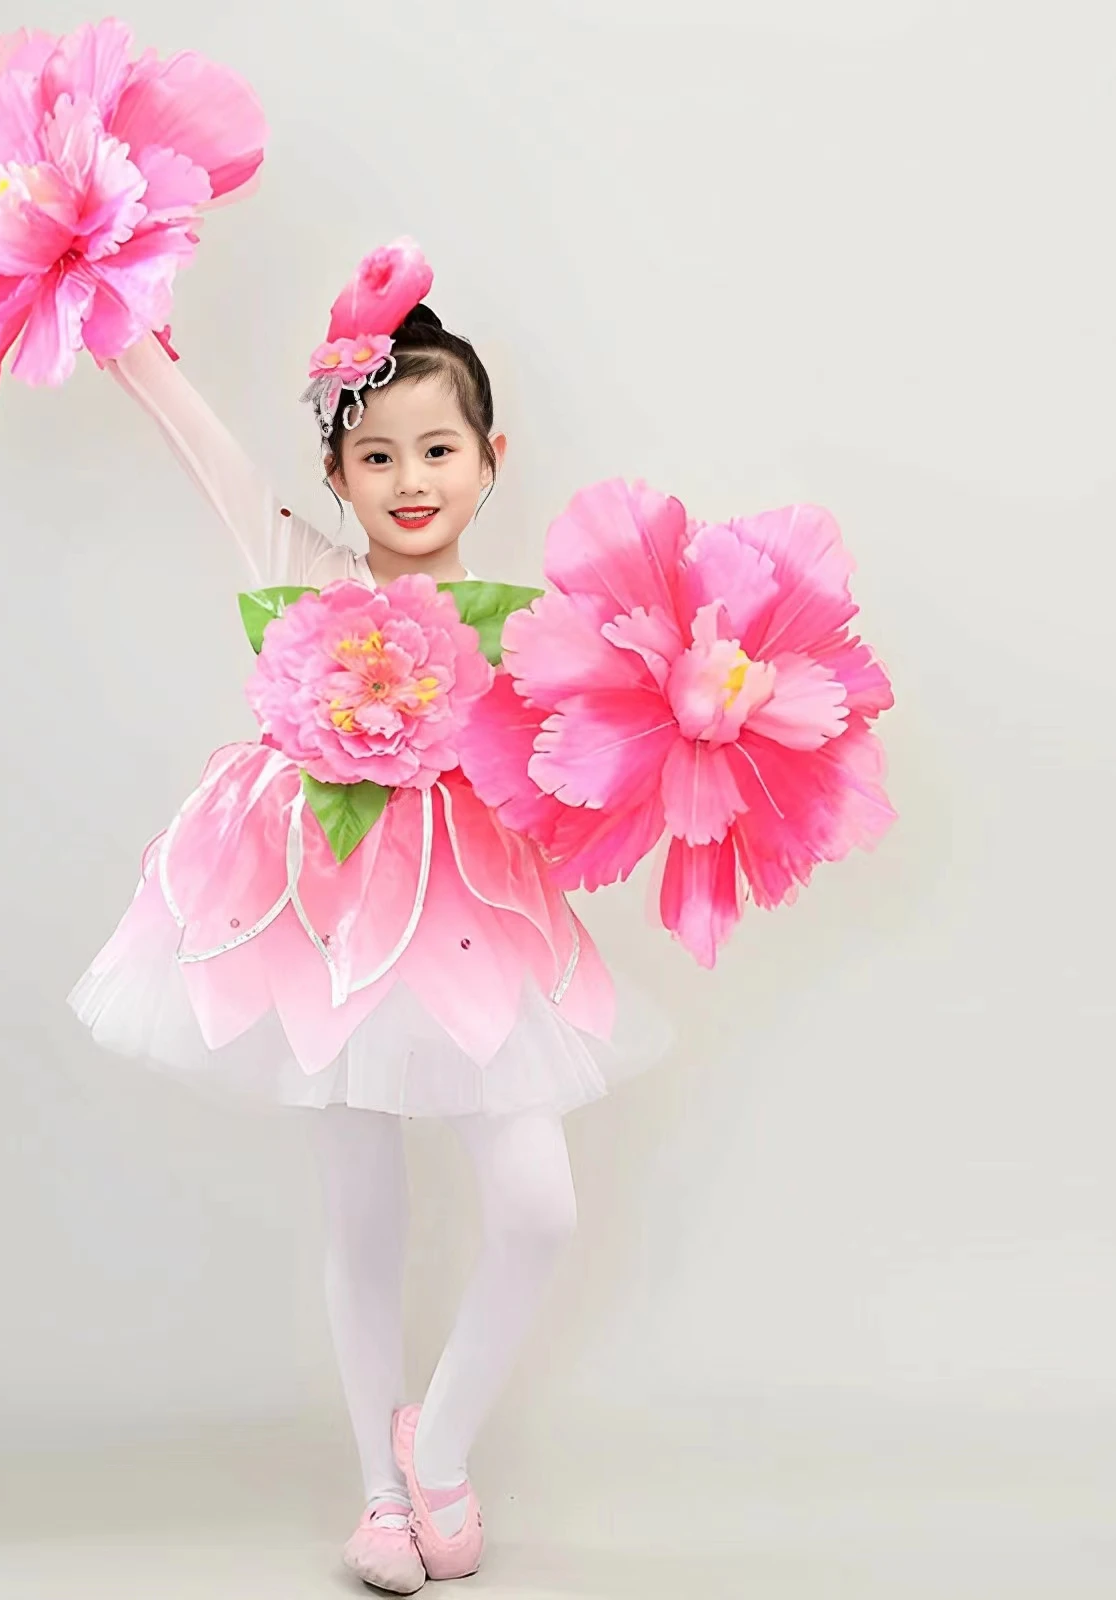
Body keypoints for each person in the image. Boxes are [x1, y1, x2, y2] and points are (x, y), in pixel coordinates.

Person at [68, 239, 669, 1592]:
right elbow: (196, 437)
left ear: (491, 456)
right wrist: (110, 310)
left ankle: (438, 1450)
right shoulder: (301, 566)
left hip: (470, 920)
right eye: (378, 456)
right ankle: (380, 1499)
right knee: (364, 1211)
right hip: (321, 915)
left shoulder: (528, 623)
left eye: (437, 450)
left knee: (536, 1204)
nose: (410, 481)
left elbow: (606, 740)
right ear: (337, 474)